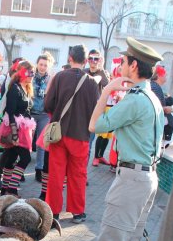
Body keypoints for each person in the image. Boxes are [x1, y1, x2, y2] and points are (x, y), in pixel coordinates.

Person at [60, 37, 165, 241]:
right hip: (147, 177)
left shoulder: (135, 100)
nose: (119, 65)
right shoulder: (152, 97)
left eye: (124, 61)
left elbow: (95, 126)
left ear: (134, 65)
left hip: (132, 179)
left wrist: (106, 90)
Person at [44, 44, 99, 224]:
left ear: (70, 58)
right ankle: (77, 212)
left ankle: (53, 212)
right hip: (81, 134)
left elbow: (48, 104)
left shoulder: (60, 77)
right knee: (78, 174)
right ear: (85, 61)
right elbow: (95, 110)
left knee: (56, 173)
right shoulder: (91, 82)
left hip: (59, 133)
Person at [0, 60, 36, 197]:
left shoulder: (26, 88)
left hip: (23, 129)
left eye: (33, 72)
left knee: (12, 158)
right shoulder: (14, 88)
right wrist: (14, 133)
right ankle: (12, 189)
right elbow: (10, 111)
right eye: (29, 72)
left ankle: (5, 190)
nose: (32, 75)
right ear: (21, 73)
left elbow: (28, 110)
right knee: (25, 159)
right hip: (15, 129)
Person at [88, 49, 112, 167]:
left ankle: (82, 173)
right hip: (81, 113)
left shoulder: (103, 73)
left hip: (94, 115)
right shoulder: (83, 71)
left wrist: (101, 68)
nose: (93, 61)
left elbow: (107, 85)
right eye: (91, 58)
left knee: (88, 146)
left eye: (96, 59)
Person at [31, 53, 53, 183]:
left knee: (41, 144)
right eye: (41, 64)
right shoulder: (31, 77)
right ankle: (19, 168)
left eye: (45, 65)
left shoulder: (51, 79)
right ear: (37, 64)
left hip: (44, 114)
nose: (42, 67)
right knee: (26, 142)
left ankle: (39, 169)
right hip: (31, 113)